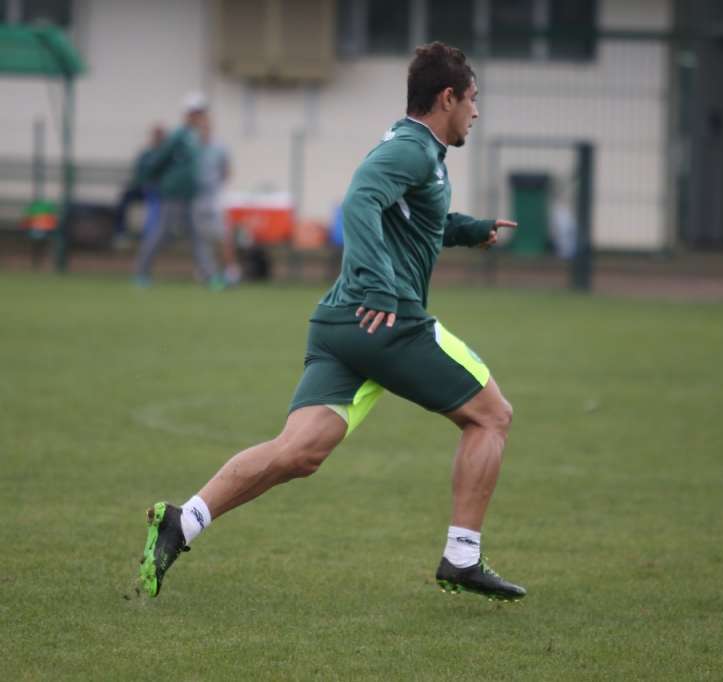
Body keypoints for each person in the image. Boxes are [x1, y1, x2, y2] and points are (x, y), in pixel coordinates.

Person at [138, 43, 525, 602]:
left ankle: (183, 521)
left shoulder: (416, 151)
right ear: (448, 98)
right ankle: (461, 558)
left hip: (341, 325)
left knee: (298, 452)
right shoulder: (414, 152)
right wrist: (377, 283)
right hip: (389, 321)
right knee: (492, 416)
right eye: (473, 99)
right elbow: (361, 199)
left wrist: (469, 229)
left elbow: (415, 220)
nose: (476, 111)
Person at [134, 93, 220, 289]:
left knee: (197, 236)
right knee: (162, 233)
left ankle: (211, 276)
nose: (200, 116)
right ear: (189, 114)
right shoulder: (179, 135)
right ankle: (141, 273)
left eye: (201, 113)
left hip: (189, 194)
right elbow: (160, 159)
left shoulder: (193, 136)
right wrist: (150, 178)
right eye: (196, 113)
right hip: (173, 193)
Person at [193, 115, 241, 285]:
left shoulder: (219, 148)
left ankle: (232, 272)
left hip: (214, 196)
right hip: (197, 197)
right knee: (202, 237)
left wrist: (218, 188)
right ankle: (208, 272)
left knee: (223, 235)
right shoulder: (192, 148)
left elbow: (227, 170)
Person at [112, 125, 165, 249]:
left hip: (158, 190)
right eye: (155, 135)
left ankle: (151, 237)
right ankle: (120, 233)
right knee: (124, 198)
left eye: (160, 136)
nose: (157, 138)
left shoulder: (165, 153)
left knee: (156, 204)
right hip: (142, 187)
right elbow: (139, 172)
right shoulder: (146, 153)